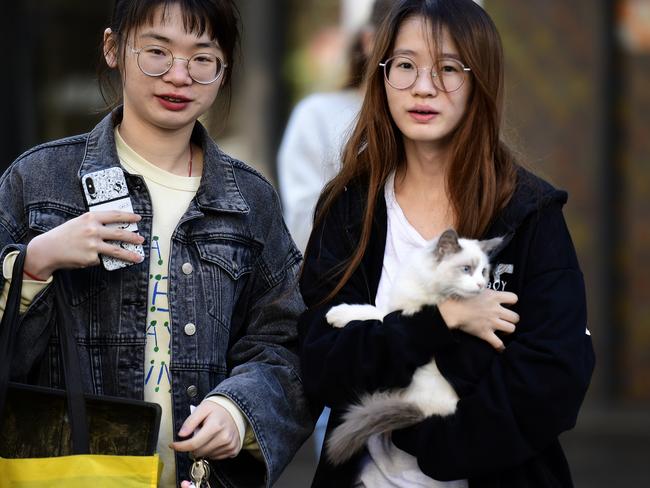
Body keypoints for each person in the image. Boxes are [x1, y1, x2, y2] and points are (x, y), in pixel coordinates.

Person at [0, 0, 312, 486]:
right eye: (157, 52)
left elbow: (285, 341)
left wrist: (239, 410)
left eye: (202, 58)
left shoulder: (250, 200)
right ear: (113, 48)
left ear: (223, 69)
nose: (179, 75)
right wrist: (35, 264)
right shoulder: (38, 182)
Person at [298, 0, 595, 487]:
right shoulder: (351, 207)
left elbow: (552, 377)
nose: (423, 87)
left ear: (481, 80)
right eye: (406, 66)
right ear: (382, 75)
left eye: (448, 69)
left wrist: (430, 442)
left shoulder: (529, 213)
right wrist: (440, 322)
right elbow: (322, 361)